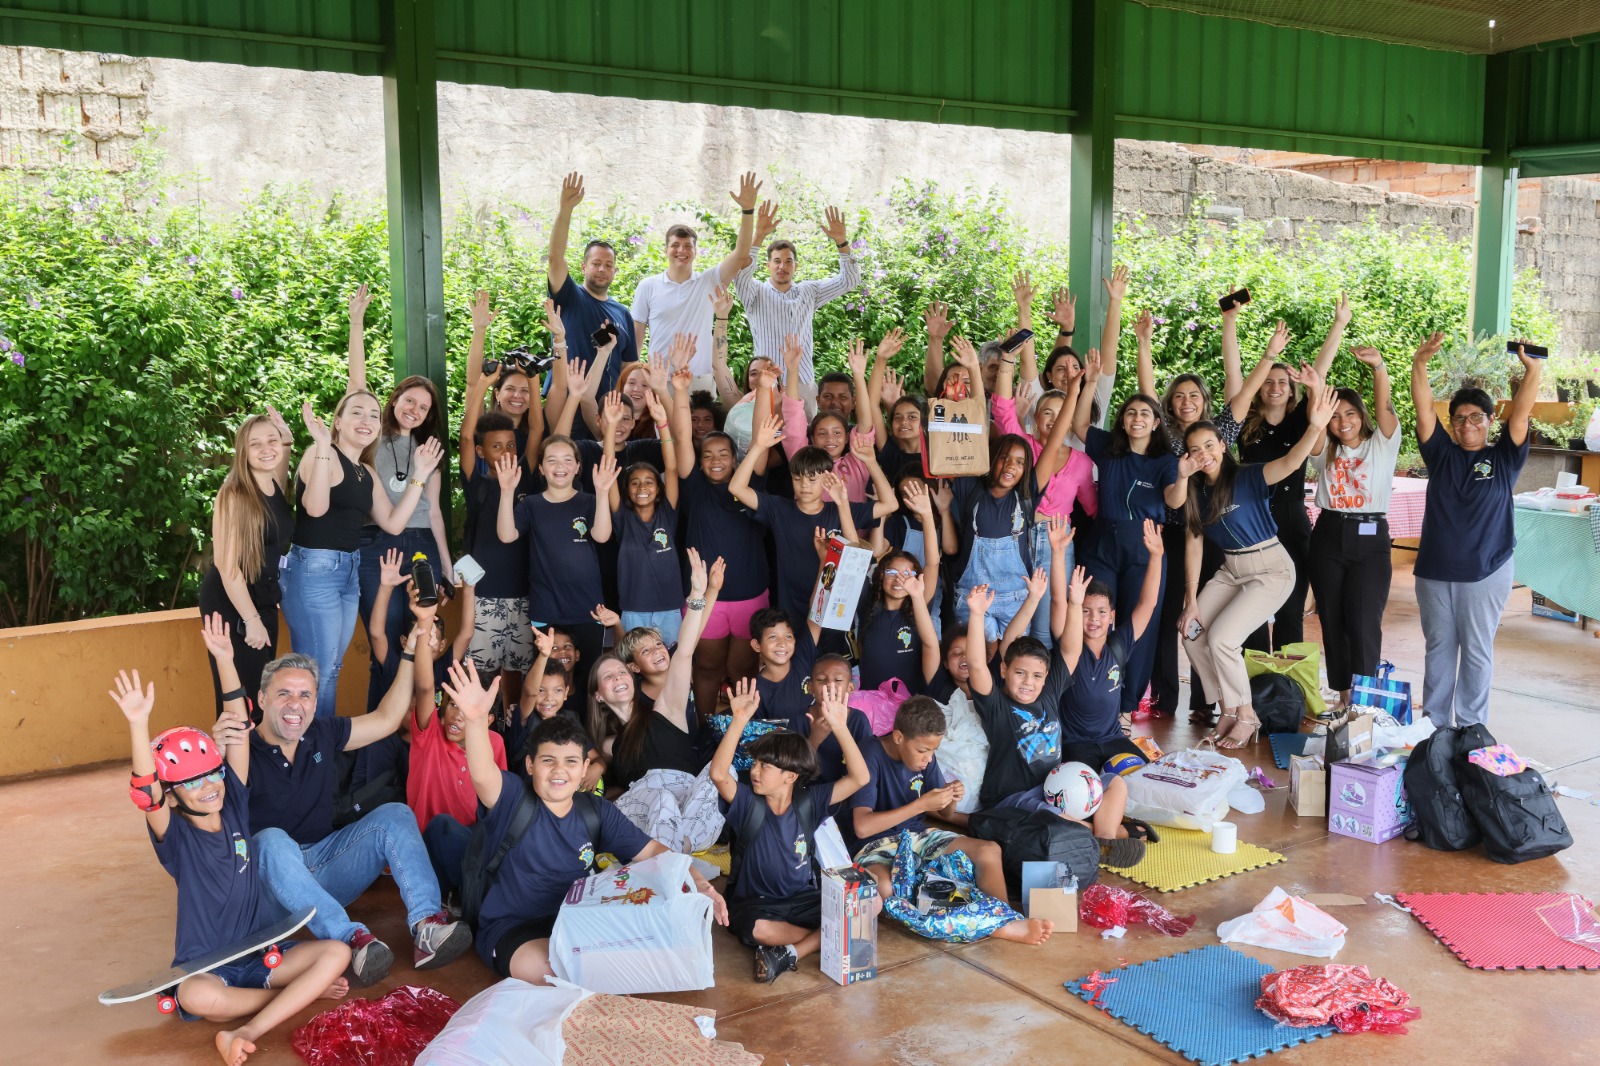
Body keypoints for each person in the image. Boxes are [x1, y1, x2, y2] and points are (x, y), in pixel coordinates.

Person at [113, 620, 353, 1066]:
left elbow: (240, 724)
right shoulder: (176, 839)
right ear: (174, 795)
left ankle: (247, 1029)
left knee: (336, 953)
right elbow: (146, 792)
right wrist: (137, 723)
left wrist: (225, 660)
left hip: (263, 953)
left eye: (212, 775)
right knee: (196, 994)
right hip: (208, 968)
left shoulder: (237, 807)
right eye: (191, 783)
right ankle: (285, 998)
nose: (208, 788)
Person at [449, 664, 728, 983]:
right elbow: (483, 774)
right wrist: (474, 721)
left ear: (584, 770)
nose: (559, 771)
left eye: (570, 762)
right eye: (547, 760)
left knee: (666, 954)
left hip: (578, 921)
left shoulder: (594, 810)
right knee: (562, 972)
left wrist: (701, 883)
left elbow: (654, 852)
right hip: (514, 928)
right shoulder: (513, 798)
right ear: (530, 765)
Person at [246, 597, 472, 988]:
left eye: (305, 695)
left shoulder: (322, 732)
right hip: (273, 889)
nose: (295, 704)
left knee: (396, 815)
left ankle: (427, 926)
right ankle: (350, 938)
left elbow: (386, 718)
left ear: (316, 703)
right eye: (284, 693)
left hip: (325, 867)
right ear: (263, 699)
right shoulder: (241, 749)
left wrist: (409, 647)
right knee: (268, 841)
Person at [1170, 385, 1338, 748]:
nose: (1204, 455)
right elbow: (1194, 543)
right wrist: (1191, 600)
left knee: (1222, 639)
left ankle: (1245, 713)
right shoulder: (1196, 493)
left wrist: (1315, 425)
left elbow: (1292, 462)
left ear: (1223, 446)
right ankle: (1230, 707)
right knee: (1192, 631)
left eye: (1210, 446)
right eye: (1195, 450)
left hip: (1271, 569)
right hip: (1231, 570)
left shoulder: (1248, 476)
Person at [281, 394, 443, 721]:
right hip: (315, 569)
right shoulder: (319, 453)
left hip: (348, 571)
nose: (366, 420)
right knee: (319, 672)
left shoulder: (365, 472)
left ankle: (319, 749)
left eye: (372, 414)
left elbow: (394, 523)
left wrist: (421, 473)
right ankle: (317, 755)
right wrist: (325, 446)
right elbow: (314, 509)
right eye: (356, 412)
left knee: (331, 668)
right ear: (337, 422)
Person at [1411, 339, 1541, 728]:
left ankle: (1470, 729)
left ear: (1488, 420)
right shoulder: (1440, 454)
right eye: (1460, 418)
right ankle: (1433, 728)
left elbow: (1521, 414)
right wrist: (1419, 363)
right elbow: (1422, 407)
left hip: (1486, 570)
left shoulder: (1504, 456)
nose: (1467, 424)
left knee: (1477, 651)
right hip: (1435, 571)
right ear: (1451, 424)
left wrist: (1532, 372)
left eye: (1476, 417)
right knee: (1438, 650)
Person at [850, 696, 1052, 946]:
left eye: (933, 751)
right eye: (923, 751)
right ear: (899, 737)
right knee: (886, 888)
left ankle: (1004, 919)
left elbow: (945, 814)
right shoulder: (870, 754)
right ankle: (995, 925)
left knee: (989, 850)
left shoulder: (926, 756)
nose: (928, 759)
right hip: (875, 846)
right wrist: (920, 805)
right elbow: (862, 826)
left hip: (918, 839)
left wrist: (951, 796)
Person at [711, 677, 870, 983]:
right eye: (755, 763)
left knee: (867, 902)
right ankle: (833, 939)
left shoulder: (810, 801)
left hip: (803, 899)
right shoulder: (748, 804)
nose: (754, 772)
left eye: (765, 766)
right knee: (759, 929)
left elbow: (860, 778)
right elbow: (719, 774)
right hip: (758, 904)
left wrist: (839, 725)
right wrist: (739, 720)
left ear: (791, 775)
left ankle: (791, 953)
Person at [346, 288, 456, 712]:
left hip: (423, 546)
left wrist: (446, 563)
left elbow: (435, 515)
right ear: (394, 400)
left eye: (424, 407)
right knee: (385, 637)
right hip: (378, 546)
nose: (415, 409)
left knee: (418, 633)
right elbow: (357, 386)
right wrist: (357, 323)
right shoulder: (371, 435)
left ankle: (419, 731)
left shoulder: (429, 452)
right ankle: (383, 736)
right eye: (409, 399)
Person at [1237, 295, 1350, 652]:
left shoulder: (1302, 421)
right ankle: (1254, 690)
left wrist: (1339, 325)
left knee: (1289, 611)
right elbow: (1233, 372)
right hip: (1252, 523)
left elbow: (1321, 370)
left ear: (1291, 390)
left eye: (1282, 383)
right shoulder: (1243, 426)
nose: (1274, 387)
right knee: (1251, 612)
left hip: (1291, 521)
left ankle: (1285, 693)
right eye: (1268, 382)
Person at [1307, 342, 1405, 710]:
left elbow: (1384, 406)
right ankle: (1343, 694)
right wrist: (1317, 390)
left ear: (1361, 416)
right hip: (1329, 535)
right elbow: (1315, 419)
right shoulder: (1324, 450)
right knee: (1331, 620)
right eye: (1335, 416)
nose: (1342, 422)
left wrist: (1379, 366)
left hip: (1370, 538)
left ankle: (1364, 699)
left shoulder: (1382, 443)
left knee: (1364, 621)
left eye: (1349, 413)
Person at [730, 415, 891, 619]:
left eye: (813, 479)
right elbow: (736, 488)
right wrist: (758, 447)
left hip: (833, 610)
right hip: (791, 610)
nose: (805, 485)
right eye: (798, 479)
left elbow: (890, 504)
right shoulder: (779, 508)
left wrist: (871, 461)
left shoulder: (840, 508)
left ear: (826, 478)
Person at [495, 435, 620, 687]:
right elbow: (507, 535)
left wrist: (603, 491)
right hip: (546, 609)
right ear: (541, 468)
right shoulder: (530, 505)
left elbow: (602, 535)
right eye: (551, 460)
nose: (559, 466)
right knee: (547, 681)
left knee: (588, 682)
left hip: (588, 610)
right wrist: (507, 491)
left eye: (567, 460)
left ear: (577, 467)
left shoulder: (590, 502)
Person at [406, 599, 507, 898]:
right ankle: (468, 897)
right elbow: (425, 687)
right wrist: (424, 624)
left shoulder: (495, 743)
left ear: (488, 719)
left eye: (468, 708)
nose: (457, 715)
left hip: (471, 846)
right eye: (452, 705)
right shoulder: (430, 734)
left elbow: (496, 807)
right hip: (426, 845)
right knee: (442, 827)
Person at [201, 409, 294, 718]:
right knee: (239, 694)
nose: (267, 449)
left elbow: (280, 461)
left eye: (272, 441)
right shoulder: (233, 494)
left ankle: (257, 764)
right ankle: (234, 764)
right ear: (243, 450)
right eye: (256, 444)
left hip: (263, 597)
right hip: (233, 602)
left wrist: (288, 439)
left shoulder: (273, 485)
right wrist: (251, 619)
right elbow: (228, 568)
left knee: (261, 690)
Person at [632, 171, 762, 392]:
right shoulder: (648, 286)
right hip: (660, 380)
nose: (681, 250)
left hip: (700, 380)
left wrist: (747, 210)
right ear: (665, 250)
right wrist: (634, 374)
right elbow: (636, 336)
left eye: (687, 246)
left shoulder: (709, 281)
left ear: (695, 252)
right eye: (675, 245)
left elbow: (741, 254)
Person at [738, 203, 863, 393]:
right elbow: (741, 273)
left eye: (788, 261)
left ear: (796, 266)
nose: (782, 267)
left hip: (804, 382)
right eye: (777, 261)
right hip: (768, 383)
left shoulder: (809, 291)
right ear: (767, 266)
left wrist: (842, 242)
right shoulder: (754, 292)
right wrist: (759, 236)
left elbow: (850, 280)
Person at [461, 411, 539, 716]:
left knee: (515, 672)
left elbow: (536, 431)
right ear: (481, 452)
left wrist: (533, 379)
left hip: (523, 595)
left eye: (510, 445)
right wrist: (481, 384)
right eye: (496, 446)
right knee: (480, 672)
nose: (506, 452)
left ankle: (510, 732)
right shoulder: (476, 484)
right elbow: (466, 436)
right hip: (483, 595)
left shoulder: (526, 482)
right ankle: (480, 727)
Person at [547, 172, 638, 396]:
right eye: (596, 263)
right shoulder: (569, 296)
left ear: (615, 271)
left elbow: (628, 367)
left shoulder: (622, 314)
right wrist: (565, 210)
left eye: (608, 265)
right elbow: (555, 258)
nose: (602, 269)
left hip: (605, 411)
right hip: (565, 400)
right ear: (583, 267)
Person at [856, 547, 941, 694]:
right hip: (871, 708)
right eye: (892, 572)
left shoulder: (917, 609)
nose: (899, 579)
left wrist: (927, 521)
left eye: (907, 574)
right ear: (881, 575)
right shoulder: (868, 606)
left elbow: (933, 563)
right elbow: (855, 555)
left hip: (909, 709)